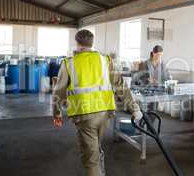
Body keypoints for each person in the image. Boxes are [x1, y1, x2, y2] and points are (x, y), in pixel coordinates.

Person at [52, 29, 142, 176]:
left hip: (84, 115)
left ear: (77, 43)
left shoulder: (69, 63)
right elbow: (120, 85)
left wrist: (56, 113)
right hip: (105, 113)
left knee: (91, 159)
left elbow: (58, 92)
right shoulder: (105, 60)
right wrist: (134, 108)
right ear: (92, 43)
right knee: (96, 147)